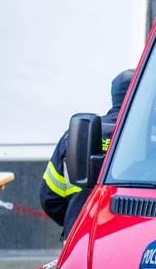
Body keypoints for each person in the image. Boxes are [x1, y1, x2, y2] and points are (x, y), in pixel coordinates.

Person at [40, 68, 134, 237]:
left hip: (79, 237)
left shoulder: (74, 135)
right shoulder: (153, 138)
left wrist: (75, 220)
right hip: (129, 235)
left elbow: (50, 197)